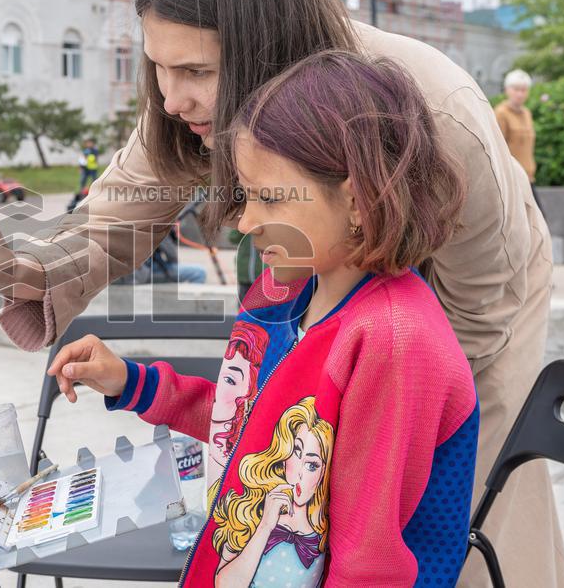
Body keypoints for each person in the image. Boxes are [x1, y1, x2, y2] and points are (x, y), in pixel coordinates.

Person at [0, 0, 564, 584]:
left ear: (265, 45)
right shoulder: (194, 105)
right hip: (343, 299)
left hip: (470, 312)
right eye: (159, 66)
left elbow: (471, 333)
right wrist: (10, 261)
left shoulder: (441, 114)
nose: (173, 98)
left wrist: (377, 417)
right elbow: (111, 224)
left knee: (451, 515)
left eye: (196, 72)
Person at [46, 52, 480, 585]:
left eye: (271, 198)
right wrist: (131, 382)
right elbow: (250, 429)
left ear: (359, 200)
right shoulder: (292, 291)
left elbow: (370, 560)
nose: (247, 222)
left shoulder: (392, 342)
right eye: (246, 196)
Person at [495, 69, 542, 210]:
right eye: (516, 89)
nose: (520, 94)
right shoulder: (500, 113)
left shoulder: (527, 113)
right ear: (507, 90)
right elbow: (497, 148)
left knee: (536, 222)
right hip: (512, 179)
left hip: (529, 177)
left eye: (524, 90)